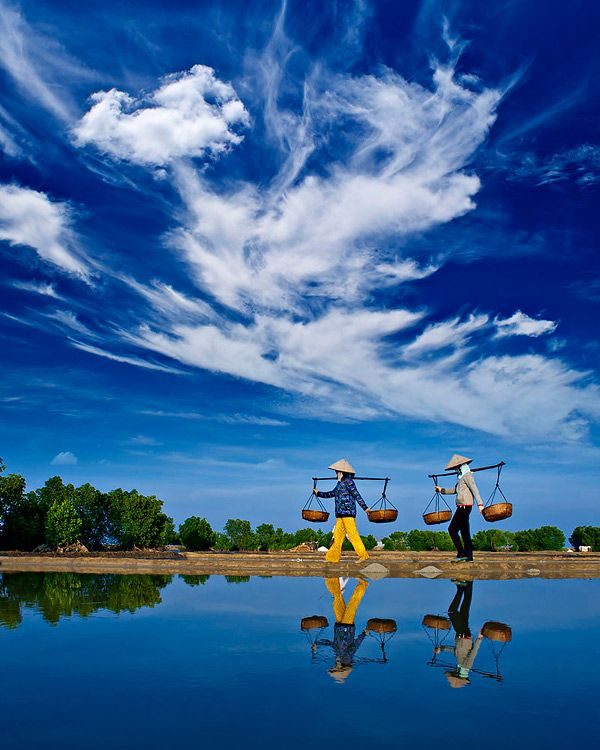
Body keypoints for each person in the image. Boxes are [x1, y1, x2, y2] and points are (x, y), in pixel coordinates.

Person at [313, 458, 370, 563]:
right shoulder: (339, 484)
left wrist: (365, 508)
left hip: (348, 514)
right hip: (339, 514)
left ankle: (363, 555)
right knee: (338, 537)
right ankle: (332, 558)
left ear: (341, 472)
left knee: (353, 535)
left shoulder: (349, 482)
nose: (335, 474)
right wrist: (318, 493)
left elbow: (357, 495)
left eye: (336, 472)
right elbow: (331, 493)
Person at [316, 577, 369, 683]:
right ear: (340, 668)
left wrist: (317, 643)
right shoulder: (346, 659)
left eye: (333, 668)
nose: (333, 667)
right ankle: (363, 583)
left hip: (339, 625)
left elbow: (332, 644)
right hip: (347, 626)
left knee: (336, 599)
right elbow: (354, 646)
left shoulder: (338, 657)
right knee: (353, 604)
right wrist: (364, 633)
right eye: (335, 668)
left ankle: (332, 579)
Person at [435, 454, 483, 563]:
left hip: (465, 507)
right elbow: (455, 490)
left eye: (456, 467)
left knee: (457, 530)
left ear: (461, 466)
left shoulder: (467, 476)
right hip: (461, 507)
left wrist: (480, 505)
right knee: (459, 531)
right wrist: (441, 490)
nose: (456, 469)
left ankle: (464, 554)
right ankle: (466, 555)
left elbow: (475, 490)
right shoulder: (460, 479)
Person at [436, 580, 484, 688]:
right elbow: (473, 654)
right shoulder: (465, 667)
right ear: (457, 675)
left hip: (463, 634)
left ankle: (469, 582)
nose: (452, 672)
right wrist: (479, 639)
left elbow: (455, 651)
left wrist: (441, 649)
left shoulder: (458, 665)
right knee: (452, 611)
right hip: (463, 634)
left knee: (465, 606)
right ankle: (460, 588)